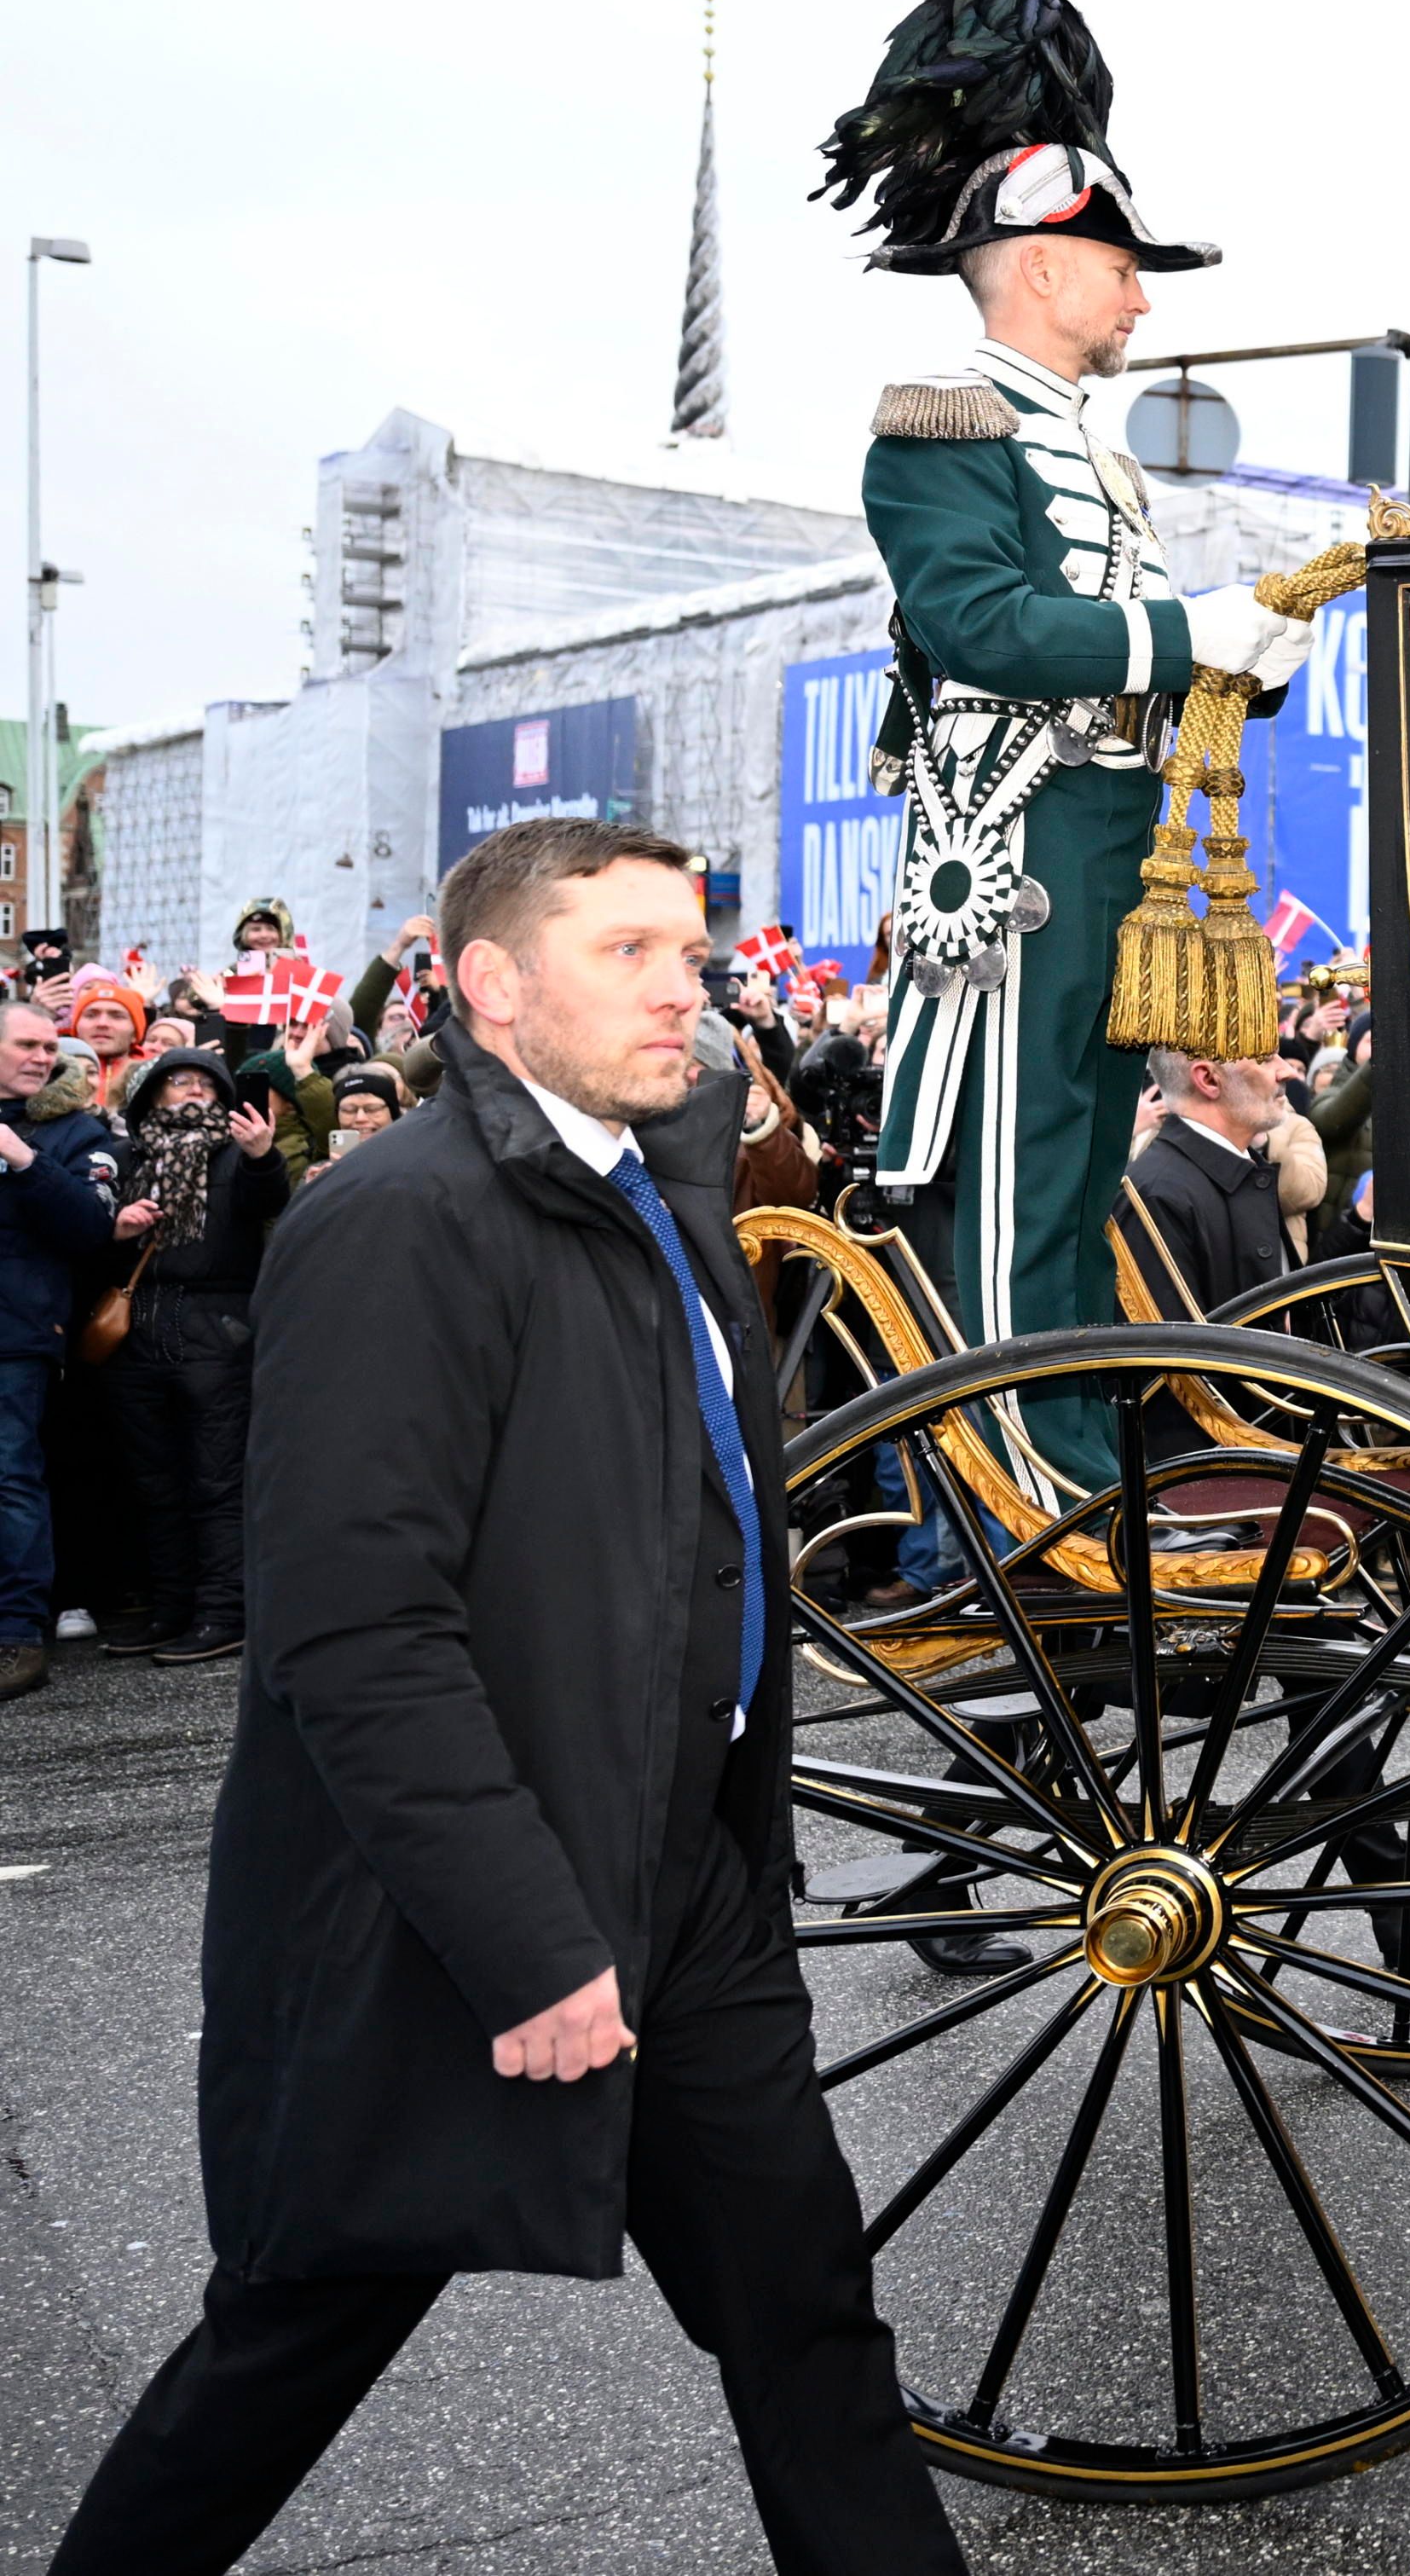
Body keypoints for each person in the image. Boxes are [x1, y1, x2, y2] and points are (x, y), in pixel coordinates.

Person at [50, 817, 966, 2576]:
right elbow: (359, 1632)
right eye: (624, 950)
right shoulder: (397, 1221)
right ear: (488, 984)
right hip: (468, 1899)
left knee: (809, 2327)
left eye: (687, 953)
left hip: (682, 1874)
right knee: (298, 2335)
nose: (679, 987)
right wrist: (534, 1937)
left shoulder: (657, 1182)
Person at [735, 0, 1310, 1480]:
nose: (1142, 301)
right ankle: (1022, 1467)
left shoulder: (1081, 437)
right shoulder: (943, 420)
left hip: (1103, 822)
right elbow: (984, 624)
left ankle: (1074, 1442)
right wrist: (1191, 634)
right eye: (1124, 269)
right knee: (1015, 1160)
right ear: (1046, 261)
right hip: (1019, 846)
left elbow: (1113, 638)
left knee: (1072, 1161)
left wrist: (1238, 653)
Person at [104, 1048, 288, 1669]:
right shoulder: (129, 1158)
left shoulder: (239, 1152)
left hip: (218, 1328)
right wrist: (116, 1228)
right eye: (175, 1081)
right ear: (150, 1095)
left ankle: (222, 1612)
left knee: (216, 1480)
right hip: (141, 1327)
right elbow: (89, 1238)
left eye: (204, 1082)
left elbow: (269, 1202)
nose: (190, 1091)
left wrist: (264, 1156)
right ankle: (169, 1608)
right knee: (154, 1483)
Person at [0, 998, 120, 1703]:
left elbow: (89, 1229)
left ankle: (17, 1634)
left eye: (51, 1047)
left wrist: (21, 1159)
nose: (45, 1057)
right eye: (28, 1045)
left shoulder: (76, 1132)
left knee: (10, 1479)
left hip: (16, 1335)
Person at [1113, 1046, 1292, 1314]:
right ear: (1208, 1079)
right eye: (1265, 1059)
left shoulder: (1244, 1166)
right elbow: (1170, 1349)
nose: (1286, 1071)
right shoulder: (1158, 1194)